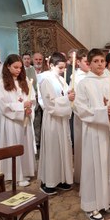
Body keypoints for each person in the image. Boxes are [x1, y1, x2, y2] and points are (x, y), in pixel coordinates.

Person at [74, 48, 110, 220]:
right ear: (89, 63)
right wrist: (103, 113)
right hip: (93, 131)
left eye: (102, 61)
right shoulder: (84, 84)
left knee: (108, 166)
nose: (100, 64)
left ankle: (108, 200)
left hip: (108, 131)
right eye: (95, 61)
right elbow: (81, 109)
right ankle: (91, 205)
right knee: (93, 167)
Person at [38, 52, 75, 195]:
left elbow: (65, 96)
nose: (62, 70)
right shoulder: (46, 80)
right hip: (53, 120)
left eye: (64, 68)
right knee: (53, 150)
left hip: (62, 119)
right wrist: (67, 98)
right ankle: (49, 182)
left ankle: (61, 179)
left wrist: (70, 95)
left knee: (63, 150)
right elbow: (50, 104)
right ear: (51, 65)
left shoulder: (61, 80)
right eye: (60, 67)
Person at [0, 54, 36, 186]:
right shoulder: (1, 83)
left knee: (25, 145)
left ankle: (25, 171)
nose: (19, 70)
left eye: (20, 68)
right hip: (12, 121)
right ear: (8, 67)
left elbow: (32, 97)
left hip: (24, 118)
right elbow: (3, 105)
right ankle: (16, 175)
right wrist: (21, 106)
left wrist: (30, 108)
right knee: (15, 145)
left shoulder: (24, 81)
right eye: (15, 67)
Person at [72, 49, 89, 183]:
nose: (88, 64)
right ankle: (81, 175)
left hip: (92, 115)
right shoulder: (76, 78)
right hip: (82, 116)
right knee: (82, 145)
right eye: (86, 61)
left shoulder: (91, 75)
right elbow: (76, 100)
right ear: (78, 62)